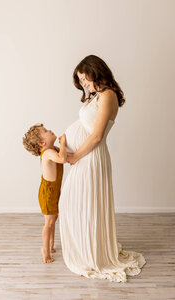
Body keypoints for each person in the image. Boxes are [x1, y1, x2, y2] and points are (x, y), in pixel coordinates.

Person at [58, 55, 146, 282]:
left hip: (91, 157)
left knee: (87, 205)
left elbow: (97, 136)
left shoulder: (108, 96)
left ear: (94, 70)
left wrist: (75, 155)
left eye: (83, 78)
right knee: (76, 203)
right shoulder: (98, 96)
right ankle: (86, 248)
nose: (83, 83)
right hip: (85, 157)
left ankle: (92, 254)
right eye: (80, 80)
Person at [22, 124, 67, 263]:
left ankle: (51, 246)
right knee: (48, 223)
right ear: (42, 143)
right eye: (46, 131)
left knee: (53, 220)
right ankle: (45, 251)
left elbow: (66, 155)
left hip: (54, 191)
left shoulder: (53, 149)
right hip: (48, 193)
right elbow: (62, 158)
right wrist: (64, 142)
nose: (50, 130)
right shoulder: (48, 153)